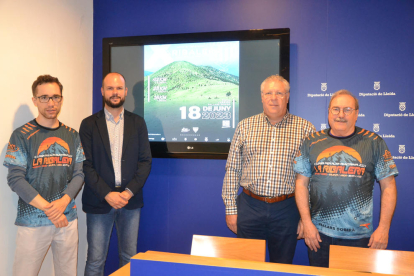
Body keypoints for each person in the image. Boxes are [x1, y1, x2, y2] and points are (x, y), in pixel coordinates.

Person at [294, 90, 398, 267]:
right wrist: (307, 222)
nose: (340, 115)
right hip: (318, 236)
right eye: (336, 109)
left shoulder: (374, 142)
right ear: (328, 112)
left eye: (347, 109)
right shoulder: (311, 141)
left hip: (359, 237)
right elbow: (301, 184)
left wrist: (383, 228)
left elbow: (388, 186)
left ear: (356, 114)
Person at [222, 75, 315, 263]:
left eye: (279, 93)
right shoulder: (244, 127)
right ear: (262, 97)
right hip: (250, 206)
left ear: (287, 97)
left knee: (281, 266)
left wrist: (306, 218)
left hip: (287, 209)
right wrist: (231, 209)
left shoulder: (305, 129)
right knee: (246, 266)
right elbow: (232, 169)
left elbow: (312, 178)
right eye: (269, 93)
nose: (274, 98)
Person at [4, 75, 85, 276]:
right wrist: (50, 209)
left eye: (56, 97)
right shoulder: (21, 135)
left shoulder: (72, 135)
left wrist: (62, 203)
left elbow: (79, 174)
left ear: (61, 99)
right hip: (33, 221)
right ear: (35, 100)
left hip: (67, 219)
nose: (51, 103)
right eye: (44, 97)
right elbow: (15, 179)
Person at [80, 72, 152, 275]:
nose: (115, 92)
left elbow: (145, 162)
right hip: (99, 200)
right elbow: (86, 165)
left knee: (129, 258)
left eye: (119, 88)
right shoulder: (88, 124)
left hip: (130, 201)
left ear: (126, 92)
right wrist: (107, 193)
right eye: (110, 88)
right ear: (102, 92)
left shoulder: (138, 123)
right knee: (95, 260)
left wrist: (128, 193)